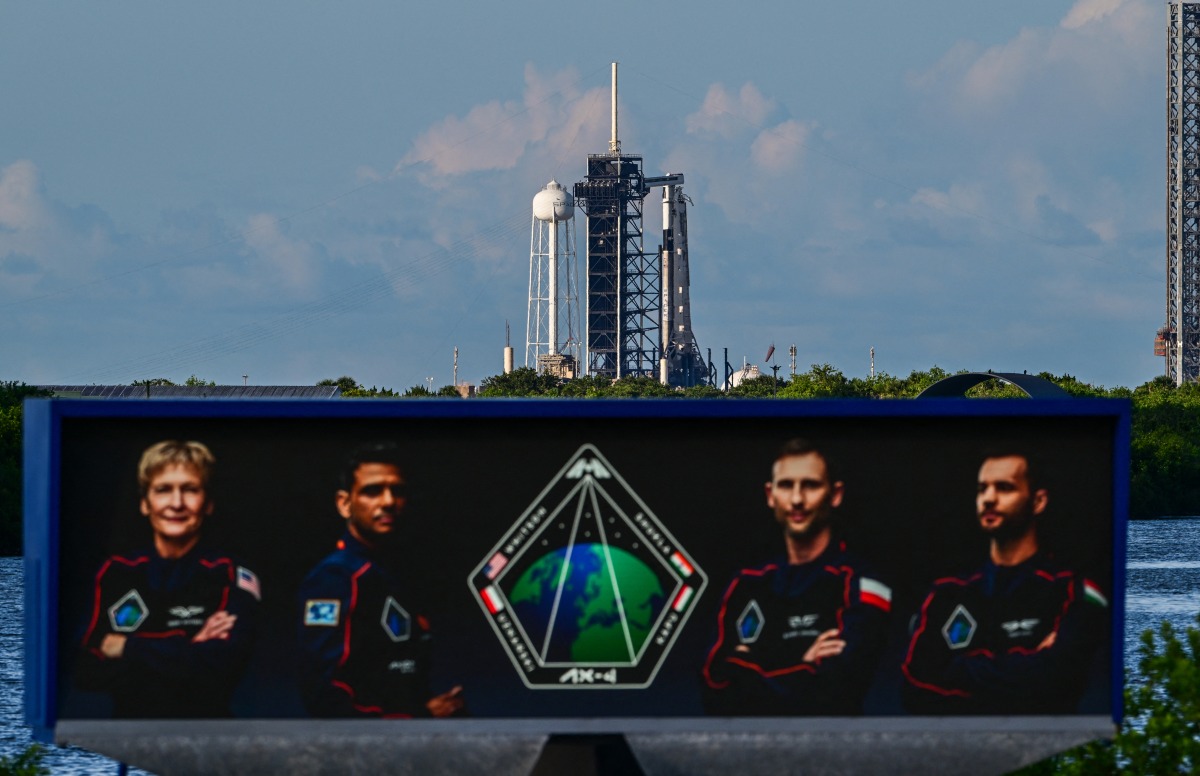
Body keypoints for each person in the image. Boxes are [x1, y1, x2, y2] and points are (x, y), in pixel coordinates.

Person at [902, 451, 1109, 714]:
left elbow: (1058, 683)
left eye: (1004, 488)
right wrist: (1029, 666)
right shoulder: (947, 593)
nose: (988, 499)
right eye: (982, 489)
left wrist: (957, 667)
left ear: (1038, 501)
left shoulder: (1071, 589)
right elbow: (913, 689)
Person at [702, 439, 891, 715]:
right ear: (770, 494)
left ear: (835, 494)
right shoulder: (746, 584)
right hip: (749, 752)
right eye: (786, 485)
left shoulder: (861, 582)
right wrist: (803, 663)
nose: (797, 499)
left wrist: (750, 665)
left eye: (811, 485)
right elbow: (714, 686)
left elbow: (837, 687)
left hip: (832, 749)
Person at [78, 440, 260, 717]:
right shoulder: (117, 573)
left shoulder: (230, 574)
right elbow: (85, 671)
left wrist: (126, 645)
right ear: (144, 503)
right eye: (163, 490)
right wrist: (189, 646)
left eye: (190, 490)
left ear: (208, 503)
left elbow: (221, 668)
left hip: (208, 736)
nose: (176, 504)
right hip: (127, 736)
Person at [297, 442, 464, 717]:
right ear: (344, 503)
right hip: (366, 751)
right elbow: (324, 696)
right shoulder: (335, 577)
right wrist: (420, 719)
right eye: (372, 491)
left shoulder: (397, 572)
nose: (388, 501)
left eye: (397, 491)